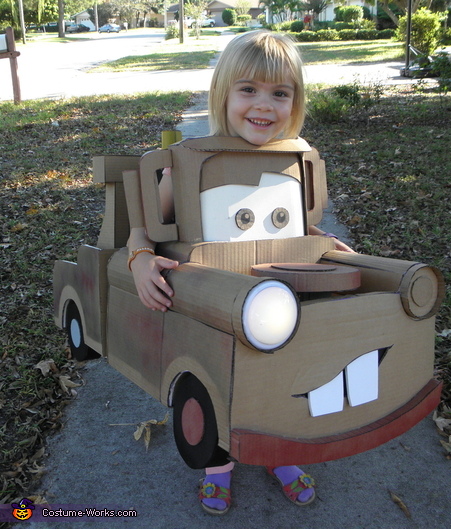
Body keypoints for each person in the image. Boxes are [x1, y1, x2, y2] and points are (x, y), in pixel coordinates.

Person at [127, 30, 354, 515]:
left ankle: (283, 452)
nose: (264, 105)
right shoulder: (187, 165)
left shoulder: (295, 160)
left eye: (280, 92)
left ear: (295, 101)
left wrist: (324, 245)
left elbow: (297, 222)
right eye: (248, 89)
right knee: (217, 383)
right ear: (223, 93)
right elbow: (143, 228)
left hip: (282, 301)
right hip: (216, 304)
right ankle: (218, 465)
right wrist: (141, 258)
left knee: (289, 376)